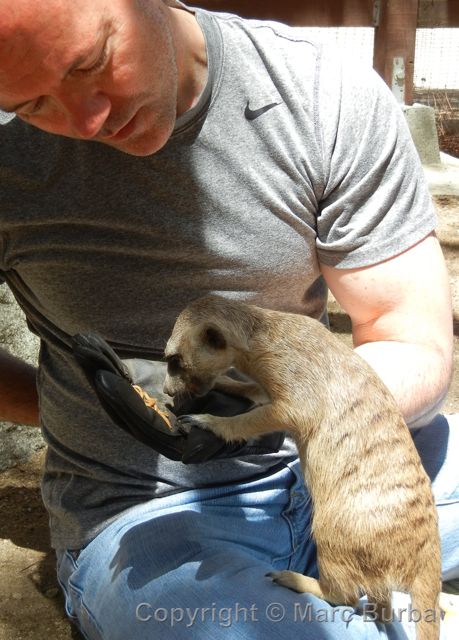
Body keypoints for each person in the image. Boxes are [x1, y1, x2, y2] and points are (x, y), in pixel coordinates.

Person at [0, 0, 457, 638]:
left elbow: (411, 338)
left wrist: (272, 417)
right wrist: (69, 406)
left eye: (93, 63)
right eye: (32, 105)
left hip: (362, 462)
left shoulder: (319, 92)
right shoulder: (8, 161)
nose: (87, 119)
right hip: (155, 513)